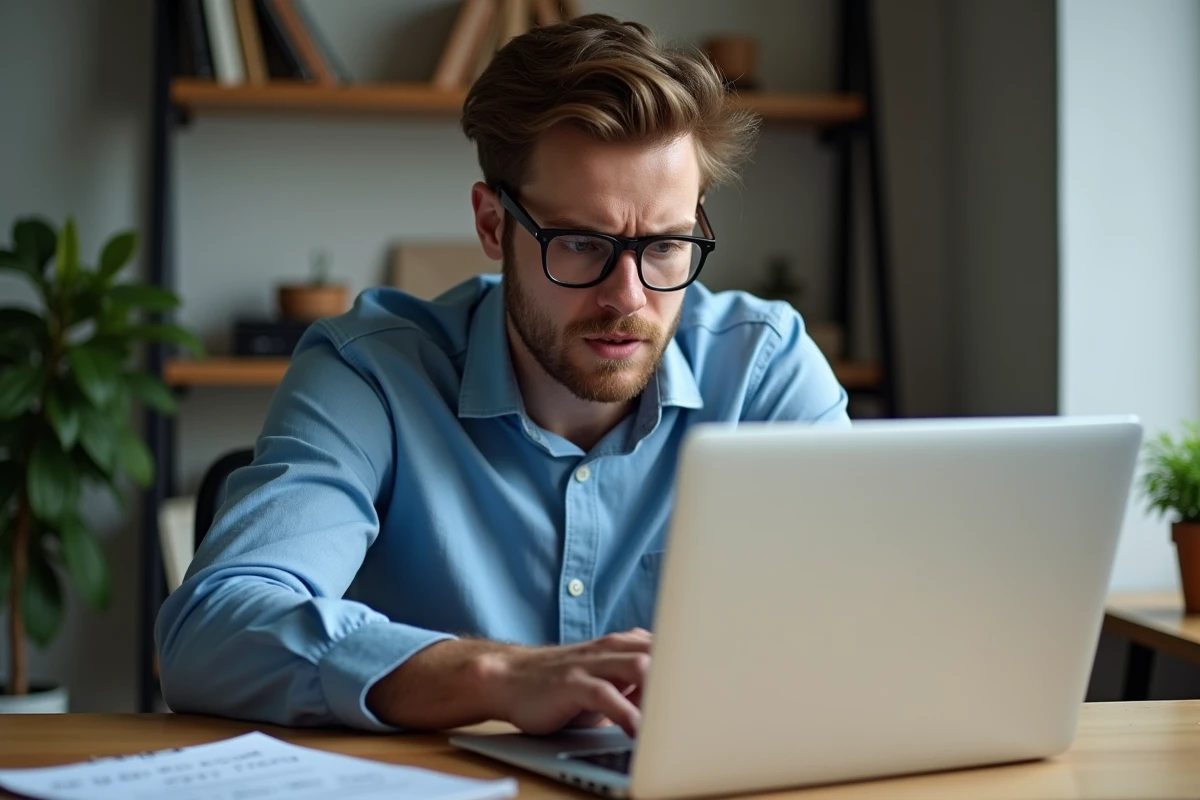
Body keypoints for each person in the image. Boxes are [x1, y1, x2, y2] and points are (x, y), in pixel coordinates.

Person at [155, 14, 849, 738]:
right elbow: (209, 631)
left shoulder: (763, 369)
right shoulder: (370, 374)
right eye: (581, 244)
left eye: (666, 246)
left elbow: (876, 610)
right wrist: (496, 677)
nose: (629, 297)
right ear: (493, 225)